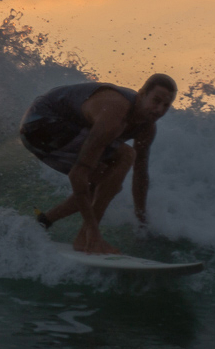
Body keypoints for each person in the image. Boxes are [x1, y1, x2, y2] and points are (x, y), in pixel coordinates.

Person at [19, 74, 177, 254]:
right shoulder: (114, 113)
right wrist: (94, 231)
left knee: (110, 182)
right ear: (141, 95)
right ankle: (87, 237)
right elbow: (77, 175)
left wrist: (141, 218)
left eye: (166, 105)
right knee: (126, 155)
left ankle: (44, 221)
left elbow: (140, 175)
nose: (159, 110)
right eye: (156, 101)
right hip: (41, 122)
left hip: (63, 130)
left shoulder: (147, 129)